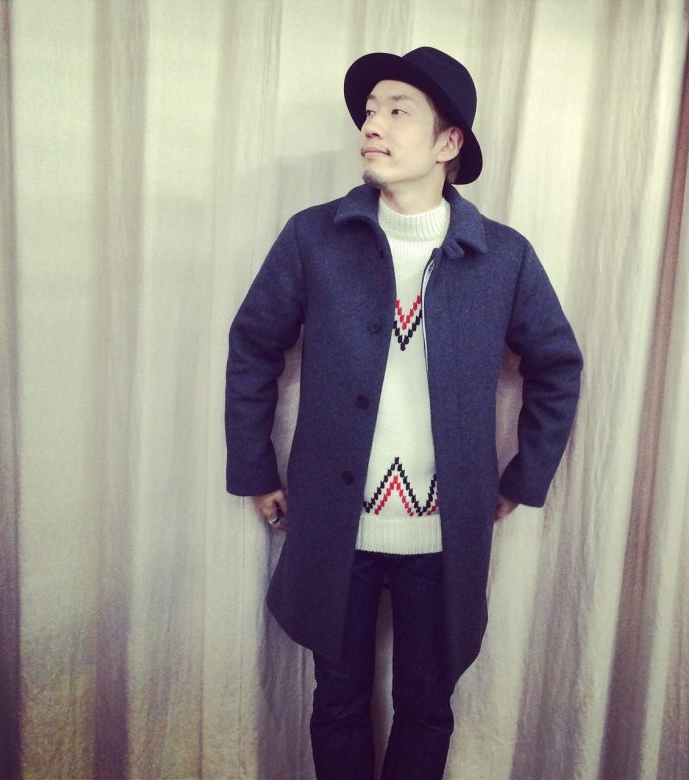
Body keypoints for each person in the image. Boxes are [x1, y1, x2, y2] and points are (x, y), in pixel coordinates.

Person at [225, 46, 582, 780]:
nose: (372, 125)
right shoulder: (313, 237)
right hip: (336, 525)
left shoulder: (503, 257)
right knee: (338, 701)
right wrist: (255, 467)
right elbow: (254, 345)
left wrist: (523, 476)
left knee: (427, 706)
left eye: (397, 111)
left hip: (445, 533)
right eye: (368, 111)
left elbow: (557, 365)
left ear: (448, 143)